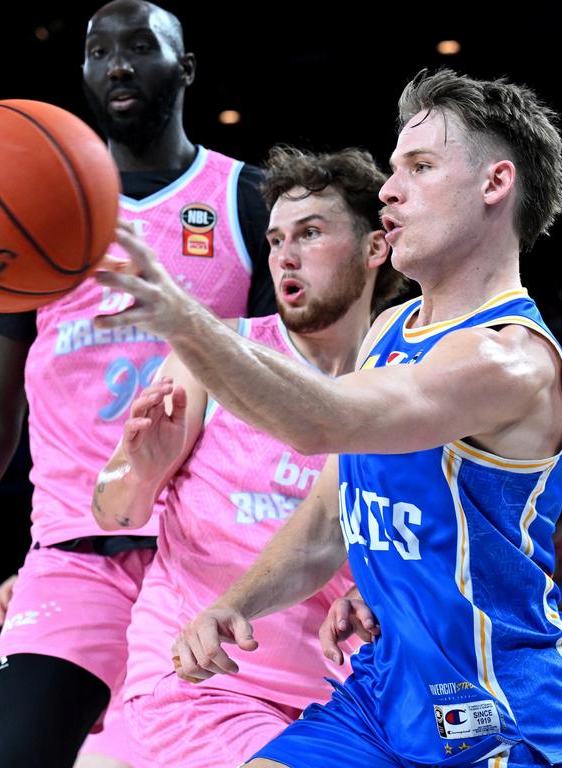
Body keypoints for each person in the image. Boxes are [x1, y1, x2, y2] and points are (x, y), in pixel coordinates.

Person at [91, 67, 562, 767]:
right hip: (382, 693)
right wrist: (238, 602)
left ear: (495, 184)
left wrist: (183, 319)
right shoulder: (390, 329)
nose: (390, 189)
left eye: (419, 166)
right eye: (393, 170)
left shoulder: (511, 362)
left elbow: (323, 423)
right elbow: (330, 517)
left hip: (492, 712)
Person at [0, 2, 274, 767]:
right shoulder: (32, 211)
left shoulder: (246, 201)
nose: (116, 64)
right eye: (96, 52)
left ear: (185, 66)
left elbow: (283, 396)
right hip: (71, 551)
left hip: (202, 550)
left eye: (138, 47)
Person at [90, 145, 403, 766]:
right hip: (202, 680)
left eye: (310, 234)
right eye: (275, 239)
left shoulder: (401, 379)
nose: (284, 254)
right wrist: (141, 466)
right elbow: (116, 514)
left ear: (375, 248)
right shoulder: (217, 352)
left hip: (344, 696)